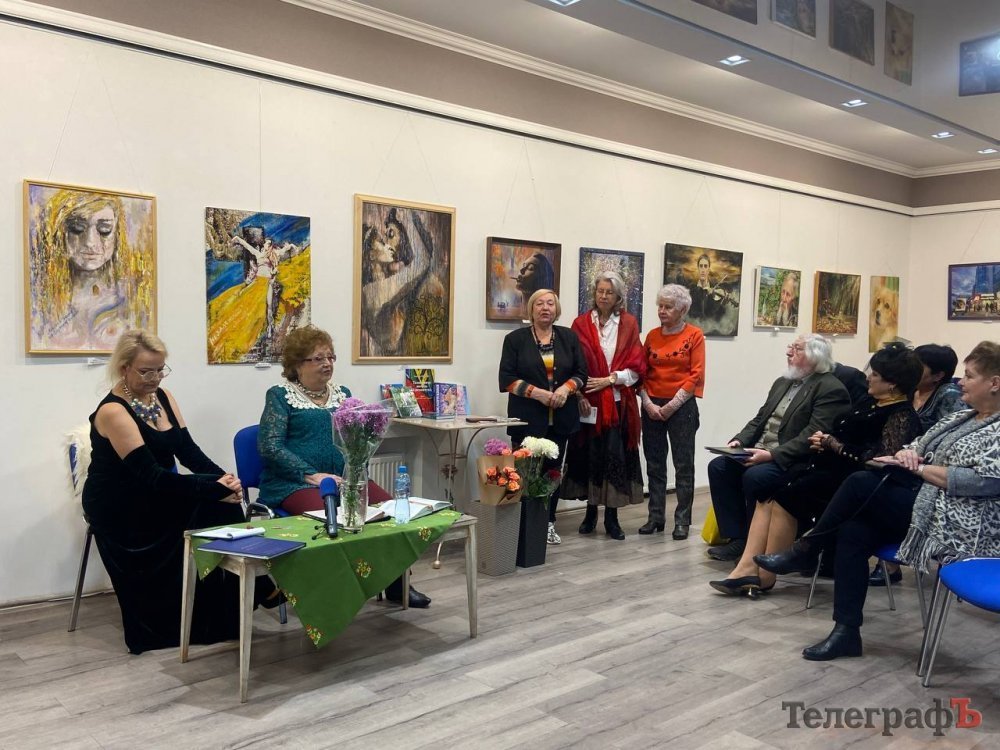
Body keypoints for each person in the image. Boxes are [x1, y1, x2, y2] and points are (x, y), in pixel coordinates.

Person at [755, 341, 1000, 660]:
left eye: (969, 376)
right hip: (924, 505)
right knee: (853, 530)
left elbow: (978, 481)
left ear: (994, 383)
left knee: (859, 482)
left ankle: (808, 548)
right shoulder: (961, 418)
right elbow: (914, 444)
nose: (961, 382)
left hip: (959, 522)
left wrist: (920, 467)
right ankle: (846, 632)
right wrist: (908, 454)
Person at [82, 330, 272, 654]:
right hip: (119, 505)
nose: (155, 378)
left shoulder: (163, 397)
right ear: (124, 368)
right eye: (146, 371)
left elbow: (188, 452)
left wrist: (225, 480)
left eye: (160, 370)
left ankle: (241, 598)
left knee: (223, 502)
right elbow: (152, 476)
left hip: (153, 493)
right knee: (215, 502)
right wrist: (212, 489)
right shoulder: (113, 411)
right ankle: (256, 588)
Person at [709, 343, 922, 596]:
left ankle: (765, 576)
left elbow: (878, 460)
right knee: (767, 494)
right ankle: (746, 568)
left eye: (874, 374)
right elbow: (842, 432)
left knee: (783, 494)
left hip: (853, 484)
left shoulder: (901, 415)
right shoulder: (870, 402)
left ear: (892, 384)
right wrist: (825, 440)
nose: (868, 377)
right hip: (828, 469)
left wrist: (833, 444)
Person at [257, 325, 430, 607]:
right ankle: (332, 592)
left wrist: (356, 471)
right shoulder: (280, 395)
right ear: (298, 364)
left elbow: (356, 439)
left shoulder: (343, 394)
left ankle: (397, 583)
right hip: (295, 483)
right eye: (318, 358)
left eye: (330, 357)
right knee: (329, 519)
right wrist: (310, 474)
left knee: (390, 511)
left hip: (345, 479)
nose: (327, 363)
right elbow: (269, 447)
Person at [706, 334, 851, 561]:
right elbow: (760, 419)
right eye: (790, 347)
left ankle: (756, 545)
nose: (788, 352)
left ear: (815, 357)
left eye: (797, 348)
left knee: (755, 477)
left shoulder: (830, 389)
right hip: (761, 449)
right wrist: (739, 441)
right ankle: (738, 538)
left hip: (793, 459)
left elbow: (812, 435)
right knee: (719, 467)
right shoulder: (782, 382)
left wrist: (772, 455)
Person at [499, 289, 587, 544]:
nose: (545, 308)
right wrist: (537, 393)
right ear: (531, 309)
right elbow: (506, 379)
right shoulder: (515, 339)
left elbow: (582, 373)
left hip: (561, 420)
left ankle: (547, 523)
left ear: (556, 309)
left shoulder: (569, 337)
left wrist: (565, 389)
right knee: (524, 473)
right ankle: (520, 525)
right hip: (527, 418)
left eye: (550, 303)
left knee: (552, 473)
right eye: (539, 303)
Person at [871, 343, 963, 587]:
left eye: (919, 365)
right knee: (869, 478)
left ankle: (890, 564)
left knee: (878, 488)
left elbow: (946, 439)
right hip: (900, 458)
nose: (910, 367)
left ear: (938, 375)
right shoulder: (909, 390)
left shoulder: (949, 396)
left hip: (926, 467)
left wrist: (913, 454)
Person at [562, 272, 646, 540]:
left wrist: (610, 380)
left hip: (618, 405)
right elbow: (571, 365)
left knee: (614, 460)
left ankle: (612, 519)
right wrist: (580, 395)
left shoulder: (629, 324)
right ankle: (590, 514)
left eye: (609, 292)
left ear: (618, 296)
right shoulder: (580, 323)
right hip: (587, 404)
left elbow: (637, 367)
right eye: (600, 291)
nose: (604, 296)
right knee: (591, 459)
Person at [29, 189, 153, 351]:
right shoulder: (41, 300)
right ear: (59, 233)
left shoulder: (133, 298)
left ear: (118, 235)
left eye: (104, 230)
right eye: (77, 229)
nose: (90, 242)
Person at [637, 284, 705, 539]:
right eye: (660, 306)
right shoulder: (652, 336)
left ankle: (682, 521)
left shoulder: (694, 335)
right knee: (654, 464)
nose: (662, 311)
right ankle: (655, 517)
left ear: (682, 310)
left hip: (681, 406)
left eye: (668, 307)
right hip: (652, 405)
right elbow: (641, 371)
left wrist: (671, 406)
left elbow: (696, 374)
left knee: (683, 465)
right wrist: (648, 403)